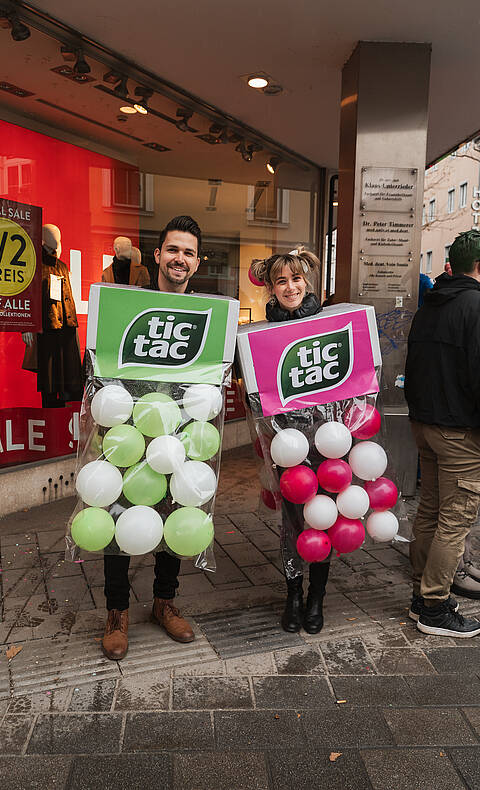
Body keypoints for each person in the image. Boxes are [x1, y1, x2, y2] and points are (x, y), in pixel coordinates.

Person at [102, 215, 202, 660]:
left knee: (175, 513)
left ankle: (164, 602)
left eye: (189, 253)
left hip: (179, 432)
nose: (180, 259)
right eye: (173, 250)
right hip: (128, 430)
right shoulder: (128, 306)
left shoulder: (205, 315)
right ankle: (116, 612)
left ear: (197, 263)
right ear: (157, 255)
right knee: (119, 516)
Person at [405, 229, 480, 637]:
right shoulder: (476, 306)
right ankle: (435, 606)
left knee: (430, 513)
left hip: (425, 426)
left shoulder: (431, 304)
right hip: (460, 433)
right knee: (454, 521)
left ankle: (421, 594)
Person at [250, 249, 330, 634]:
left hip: (328, 440)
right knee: (291, 522)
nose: (290, 287)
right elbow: (256, 392)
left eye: (296, 279)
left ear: (307, 282)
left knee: (324, 517)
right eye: (281, 281)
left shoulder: (328, 324)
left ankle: (317, 596)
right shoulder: (261, 336)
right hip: (284, 443)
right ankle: (293, 593)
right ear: (271, 287)